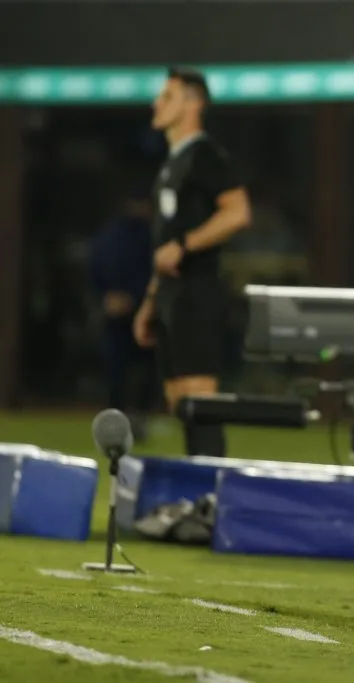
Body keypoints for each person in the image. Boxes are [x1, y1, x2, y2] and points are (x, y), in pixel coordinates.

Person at [132, 67, 252, 457]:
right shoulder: (172, 164)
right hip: (171, 295)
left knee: (200, 405)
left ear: (192, 103)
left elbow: (237, 212)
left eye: (166, 97)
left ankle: (211, 504)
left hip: (198, 293)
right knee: (179, 404)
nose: (156, 103)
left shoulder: (206, 156)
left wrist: (185, 246)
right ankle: (191, 503)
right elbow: (163, 245)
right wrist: (152, 300)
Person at [90, 185, 158, 437]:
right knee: (118, 371)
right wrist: (107, 296)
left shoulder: (149, 235)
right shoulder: (115, 234)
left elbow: (156, 272)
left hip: (142, 310)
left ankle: (136, 419)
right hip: (121, 316)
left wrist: (129, 296)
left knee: (143, 372)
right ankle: (116, 422)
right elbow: (97, 267)